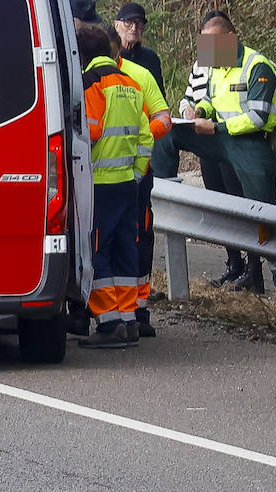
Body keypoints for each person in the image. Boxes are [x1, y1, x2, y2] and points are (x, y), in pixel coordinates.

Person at [170, 11, 276, 295]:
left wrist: (216, 128)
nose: (209, 52)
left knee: (264, 220)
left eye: (213, 44)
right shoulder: (217, 67)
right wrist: (199, 111)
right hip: (226, 144)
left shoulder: (257, 66)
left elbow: (258, 116)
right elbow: (211, 100)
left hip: (255, 147)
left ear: (230, 38)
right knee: (230, 206)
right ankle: (246, 271)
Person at [152, 10, 252, 289]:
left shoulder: (244, 63)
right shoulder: (204, 62)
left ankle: (252, 267)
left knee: (240, 204)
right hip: (207, 144)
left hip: (232, 144)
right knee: (219, 204)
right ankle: (234, 263)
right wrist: (189, 109)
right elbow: (192, 95)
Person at [76, 26, 153, 349]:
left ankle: (109, 323)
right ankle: (129, 319)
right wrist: (135, 176)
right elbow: (146, 138)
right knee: (126, 249)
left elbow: (90, 132)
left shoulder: (93, 82)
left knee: (97, 251)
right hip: (126, 183)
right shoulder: (131, 84)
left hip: (99, 185)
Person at [108, 26, 171, 337]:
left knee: (138, 238)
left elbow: (163, 119)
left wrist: (141, 137)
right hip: (98, 180)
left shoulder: (139, 75)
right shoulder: (85, 77)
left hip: (135, 178)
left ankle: (138, 309)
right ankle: (103, 314)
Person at [115, 2, 164, 96]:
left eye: (139, 23)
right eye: (128, 22)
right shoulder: (107, 56)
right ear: (116, 25)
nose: (134, 28)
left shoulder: (150, 58)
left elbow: (160, 97)